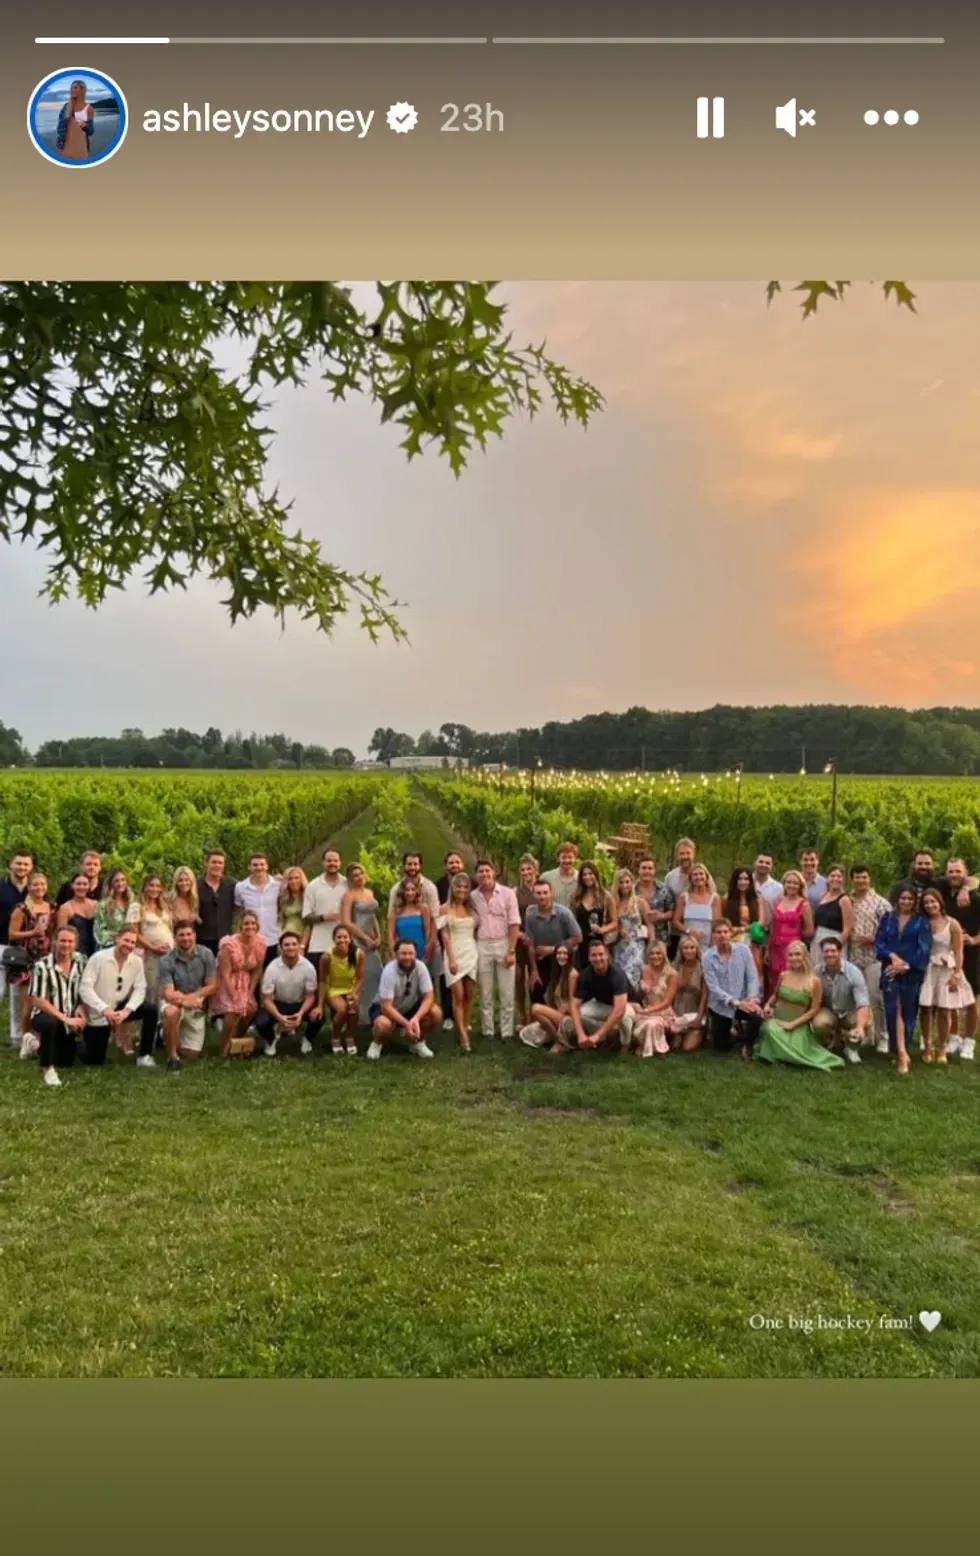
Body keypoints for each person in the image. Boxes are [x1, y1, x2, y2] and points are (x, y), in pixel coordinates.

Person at [758, 941, 843, 1070]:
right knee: (769, 1029)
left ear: (805, 956)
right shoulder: (783, 975)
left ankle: (784, 1053)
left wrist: (793, 1024)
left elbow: (814, 1009)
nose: (794, 958)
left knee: (795, 1044)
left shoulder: (814, 981)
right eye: (791, 955)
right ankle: (781, 1053)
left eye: (797, 954)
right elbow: (776, 996)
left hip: (798, 1024)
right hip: (778, 1020)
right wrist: (768, 1006)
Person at [875, 887, 931, 1075]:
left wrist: (905, 965)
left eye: (909, 899)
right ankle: (899, 1051)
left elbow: (923, 950)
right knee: (893, 1008)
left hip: (911, 972)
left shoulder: (921, 922)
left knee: (907, 1010)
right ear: (897, 899)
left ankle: (901, 1049)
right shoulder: (888, 918)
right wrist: (892, 957)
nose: (906, 901)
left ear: (914, 901)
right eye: (902, 898)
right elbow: (880, 943)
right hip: (890, 970)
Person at [918, 886, 975, 1065]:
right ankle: (928, 1046)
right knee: (926, 1009)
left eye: (933, 901)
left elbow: (958, 951)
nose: (930, 905)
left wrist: (957, 973)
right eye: (926, 902)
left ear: (939, 902)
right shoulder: (921, 923)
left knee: (944, 1010)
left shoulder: (952, 924)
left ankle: (942, 1047)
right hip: (928, 969)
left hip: (946, 969)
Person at [27, 924, 87, 1087]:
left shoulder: (80, 961)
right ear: (54, 941)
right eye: (62, 941)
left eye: (70, 941)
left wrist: (81, 1006)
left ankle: (32, 1044)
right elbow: (38, 1000)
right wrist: (65, 1019)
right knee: (49, 1023)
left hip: (69, 1016)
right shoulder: (42, 966)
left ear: (75, 943)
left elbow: (85, 987)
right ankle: (48, 1069)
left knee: (66, 1060)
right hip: (46, 1015)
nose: (66, 945)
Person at [79, 926, 148, 1066]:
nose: (129, 945)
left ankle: (145, 1055)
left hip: (121, 1008)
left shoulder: (137, 962)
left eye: (132, 942)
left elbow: (141, 988)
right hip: (99, 1011)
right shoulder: (98, 958)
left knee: (151, 1010)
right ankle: (77, 1044)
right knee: (95, 1062)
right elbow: (85, 988)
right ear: (117, 938)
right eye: (126, 940)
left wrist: (127, 1010)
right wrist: (105, 1009)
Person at [157, 922, 218, 1072]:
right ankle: (172, 1058)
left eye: (189, 934)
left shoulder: (206, 954)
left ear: (195, 935)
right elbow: (168, 992)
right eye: (181, 935)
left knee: (191, 1054)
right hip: (174, 1000)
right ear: (175, 937)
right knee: (172, 1013)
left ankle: (163, 1034)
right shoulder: (166, 960)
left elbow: (212, 986)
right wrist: (184, 1001)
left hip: (196, 999)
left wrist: (193, 997)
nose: (186, 938)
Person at [470, 861, 521, 1042]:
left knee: (507, 991)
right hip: (482, 944)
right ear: (476, 875)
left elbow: (514, 923)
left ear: (494, 872)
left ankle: (506, 1031)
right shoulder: (472, 897)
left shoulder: (507, 894)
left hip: (504, 943)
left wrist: (511, 950)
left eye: (487, 871)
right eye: (480, 871)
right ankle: (488, 1031)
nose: (484, 874)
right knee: (485, 991)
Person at [557, 939, 634, 1051]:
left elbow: (619, 1010)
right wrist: (580, 1034)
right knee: (579, 1012)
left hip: (627, 1004)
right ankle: (601, 1037)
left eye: (601, 954)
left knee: (624, 1015)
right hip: (602, 1004)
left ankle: (625, 1045)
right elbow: (574, 1005)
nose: (598, 958)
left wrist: (598, 1035)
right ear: (589, 957)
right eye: (594, 955)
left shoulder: (617, 975)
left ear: (607, 954)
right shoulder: (585, 975)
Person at [367, 940, 439, 1060]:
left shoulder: (421, 967)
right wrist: (407, 1024)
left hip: (409, 1006)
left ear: (416, 954)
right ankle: (376, 1043)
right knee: (383, 1024)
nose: (407, 957)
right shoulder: (389, 971)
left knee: (435, 1013)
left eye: (411, 953)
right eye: (403, 953)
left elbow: (429, 996)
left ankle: (418, 1043)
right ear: (396, 954)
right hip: (386, 1008)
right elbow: (386, 1006)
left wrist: (416, 1019)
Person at [702, 918, 764, 1056]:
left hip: (745, 999)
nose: (722, 935)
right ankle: (734, 1031)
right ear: (713, 935)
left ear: (731, 934)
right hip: (722, 1005)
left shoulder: (743, 950)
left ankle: (748, 1046)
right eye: (718, 932)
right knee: (720, 1047)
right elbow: (713, 987)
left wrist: (752, 998)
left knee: (756, 1016)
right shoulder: (707, 957)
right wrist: (735, 1002)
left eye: (725, 931)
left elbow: (752, 976)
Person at [7, 872, 54, 1051]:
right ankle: (23, 1038)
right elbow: (12, 934)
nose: (39, 888)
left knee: (41, 999)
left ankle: (37, 1036)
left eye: (43, 884)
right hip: (26, 957)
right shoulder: (22, 908)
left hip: (45, 957)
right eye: (36, 885)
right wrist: (33, 933)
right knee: (28, 1000)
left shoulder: (50, 907)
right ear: (29, 887)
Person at [848, 865, 892, 1055]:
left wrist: (874, 939)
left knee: (876, 998)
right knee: (857, 998)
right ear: (852, 880)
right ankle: (863, 1033)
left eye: (864, 877)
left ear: (870, 879)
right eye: (857, 878)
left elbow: (891, 930)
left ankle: (883, 1037)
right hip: (853, 956)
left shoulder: (881, 903)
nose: (861, 881)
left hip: (874, 957)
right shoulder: (848, 900)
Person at [257, 930, 323, 1057]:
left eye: (294, 944)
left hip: (300, 1004)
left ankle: (307, 1039)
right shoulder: (272, 968)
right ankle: (270, 1040)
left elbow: (310, 996)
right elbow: (267, 999)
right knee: (261, 1021)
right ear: (280, 947)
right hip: (278, 1004)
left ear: (299, 946)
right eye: (286, 945)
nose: (291, 947)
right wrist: (278, 1017)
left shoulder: (308, 967)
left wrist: (301, 1013)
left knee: (318, 1017)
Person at [132, 873, 175, 1062]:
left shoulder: (163, 906)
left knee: (164, 992)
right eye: (151, 885)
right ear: (144, 887)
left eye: (158, 886)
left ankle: (161, 1033)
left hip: (168, 956)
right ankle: (143, 1037)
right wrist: (152, 947)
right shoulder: (137, 907)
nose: (155, 889)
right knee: (150, 993)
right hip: (149, 955)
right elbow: (133, 932)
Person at [214, 911, 267, 1056]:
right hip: (228, 980)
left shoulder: (261, 943)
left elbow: (257, 971)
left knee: (250, 1008)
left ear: (257, 926)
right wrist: (235, 995)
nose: (250, 926)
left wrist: (250, 993)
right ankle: (224, 1048)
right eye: (246, 923)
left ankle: (237, 1041)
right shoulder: (229, 944)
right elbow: (225, 973)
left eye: (253, 923)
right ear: (240, 926)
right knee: (233, 1011)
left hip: (246, 980)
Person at [811, 937, 870, 1063]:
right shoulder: (816, 972)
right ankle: (830, 1040)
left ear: (840, 952)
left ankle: (851, 1048)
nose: (829, 954)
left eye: (833, 951)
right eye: (826, 951)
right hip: (829, 1010)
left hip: (849, 1010)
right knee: (819, 1023)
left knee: (865, 1024)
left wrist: (860, 1027)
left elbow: (862, 1003)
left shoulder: (853, 972)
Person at [438, 872, 480, 1052]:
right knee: (458, 996)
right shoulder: (444, 909)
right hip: (454, 953)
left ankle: (463, 1026)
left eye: (465, 887)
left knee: (469, 996)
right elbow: (445, 935)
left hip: (471, 952)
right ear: (452, 889)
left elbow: (476, 932)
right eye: (458, 887)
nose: (462, 890)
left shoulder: (472, 909)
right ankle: (463, 1038)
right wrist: (451, 958)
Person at [942, 857, 979, 1060]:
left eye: (958, 871)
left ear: (965, 873)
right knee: (953, 997)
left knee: (972, 1001)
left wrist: (973, 939)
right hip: (951, 955)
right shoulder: (945, 896)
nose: (954, 875)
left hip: (973, 955)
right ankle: (954, 1037)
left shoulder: (975, 899)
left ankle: (968, 1042)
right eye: (951, 871)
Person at [523, 879, 582, 1004]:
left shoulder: (564, 913)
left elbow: (578, 937)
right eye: (538, 893)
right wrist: (533, 970)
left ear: (551, 893)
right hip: (541, 959)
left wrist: (553, 949)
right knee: (535, 989)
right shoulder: (530, 915)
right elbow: (531, 945)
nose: (542, 896)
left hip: (562, 957)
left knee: (560, 994)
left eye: (545, 892)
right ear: (534, 895)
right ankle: (539, 1020)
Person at [435, 850, 476, 1028]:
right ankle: (448, 1015)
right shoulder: (440, 885)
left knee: (466, 981)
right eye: (451, 863)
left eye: (457, 862)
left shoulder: (471, 883)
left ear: (463, 864)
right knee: (447, 977)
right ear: (446, 865)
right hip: (447, 930)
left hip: (465, 934)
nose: (454, 866)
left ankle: (463, 1018)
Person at [341, 862, 384, 1026]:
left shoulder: (370, 892)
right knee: (361, 976)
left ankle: (375, 1011)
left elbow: (373, 916)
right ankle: (359, 1015)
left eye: (361, 874)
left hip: (372, 938)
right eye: (355, 876)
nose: (359, 877)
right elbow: (346, 921)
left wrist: (378, 936)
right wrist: (364, 939)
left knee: (376, 973)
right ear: (351, 879)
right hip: (358, 939)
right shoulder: (349, 896)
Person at [316, 923, 364, 1056]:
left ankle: (350, 1038)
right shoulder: (327, 957)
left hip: (351, 988)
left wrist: (354, 994)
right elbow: (322, 980)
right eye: (339, 937)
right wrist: (320, 1004)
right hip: (334, 989)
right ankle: (336, 1037)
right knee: (342, 1010)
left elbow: (360, 978)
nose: (342, 940)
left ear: (350, 938)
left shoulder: (358, 954)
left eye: (345, 937)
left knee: (353, 1009)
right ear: (334, 939)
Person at [521, 942, 576, 1051]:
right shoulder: (556, 974)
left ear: (570, 956)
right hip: (558, 1014)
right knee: (527, 1032)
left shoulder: (572, 975)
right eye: (559, 953)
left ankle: (560, 1040)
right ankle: (556, 1036)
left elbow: (574, 1004)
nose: (561, 956)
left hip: (569, 1019)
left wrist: (565, 1008)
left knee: (535, 1008)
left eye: (565, 953)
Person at [766, 871, 814, 995]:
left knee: (790, 979)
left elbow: (810, 930)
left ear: (800, 886)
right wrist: (767, 948)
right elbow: (773, 927)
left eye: (795, 883)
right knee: (775, 980)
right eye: (788, 882)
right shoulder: (778, 901)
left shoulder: (804, 904)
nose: (791, 885)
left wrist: (795, 938)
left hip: (793, 949)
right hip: (775, 948)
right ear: (784, 884)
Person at [1, 849, 34, 1027]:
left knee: (17, 994)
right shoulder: (1, 886)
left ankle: (16, 1036)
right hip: (1, 943)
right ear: (11, 865)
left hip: (23, 948)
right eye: (18, 863)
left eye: (26, 864)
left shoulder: (34, 889)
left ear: (31, 867)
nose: (22, 867)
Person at [303, 848, 346, 976]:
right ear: (323, 863)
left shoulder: (347, 884)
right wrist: (323, 917)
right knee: (319, 983)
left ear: (340, 863)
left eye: (335, 861)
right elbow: (306, 917)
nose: (332, 863)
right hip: (318, 945)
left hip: (342, 943)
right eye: (329, 861)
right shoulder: (313, 886)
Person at [631, 940, 678, 1057]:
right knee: (632, 1018)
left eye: (658, 953)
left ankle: (655, 1049)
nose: (655, 956)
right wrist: (637, 1005)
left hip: (663, 1012)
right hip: (646, 1008)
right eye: (652, 953)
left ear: (664, 954)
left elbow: (667, 1002)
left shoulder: (672, 974)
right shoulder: (644, 970)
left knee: (650, 1025)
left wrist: (647, 1011)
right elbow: (639, 994)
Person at [610, 867, 653, 996]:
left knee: (634, 975)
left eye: (627, 882)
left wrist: (651, 945)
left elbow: (650, 925)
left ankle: (635, 1003)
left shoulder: (639, 902)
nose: (624, 885)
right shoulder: (613, 903)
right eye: (621, 882)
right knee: (620, 975)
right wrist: (618, 930)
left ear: (632, 883)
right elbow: (609, 922)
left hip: (636, 946)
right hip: (619, 946)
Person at [570, 862, 618, 970]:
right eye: (584, 874)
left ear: (596, 875)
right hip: (581, 944)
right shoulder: (576, 897)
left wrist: (602, 929)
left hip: (599, 943)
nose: (587, 877)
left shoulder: (606, 896)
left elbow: (615, 922)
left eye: (590, 873)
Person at [235, 855, 280, 965]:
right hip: (251, 939)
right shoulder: (240, 887)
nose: (259, 867)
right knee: (252, 975)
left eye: (262, 864)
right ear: (249, 867)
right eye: (255, 865)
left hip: (274, 938)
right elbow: (239, 910)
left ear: (267, 866)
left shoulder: (278, 885)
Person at [723, 868, 766, 978]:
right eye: (740, 879)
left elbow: (762, 922)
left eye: (746, 879)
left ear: (750, 881)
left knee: (753, 972)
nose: (743, 882)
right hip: (733, 939)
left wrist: (743, 929)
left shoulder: (758, 898)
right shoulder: (727, 898)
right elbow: (722, 921)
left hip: (752, 940)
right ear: (735, 881)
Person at [514, 853, 540, 1026]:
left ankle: (535, 1011)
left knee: (535, 974)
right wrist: (518, 934)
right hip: (521, 938)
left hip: (538, 939)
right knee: (519, 976)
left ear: (535, 870)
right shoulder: (516, 892)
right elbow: (512, 916)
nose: (526, 872)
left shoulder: (542, 888)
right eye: (522, 869)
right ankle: (522, 1013)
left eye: (529, 868)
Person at [669, 935, 707, 1050]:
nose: (689, 951)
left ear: (697, 949)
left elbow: (705, 995)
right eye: (685, 948)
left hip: (695, 1013)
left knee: (687, 1047)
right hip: (677, 1012)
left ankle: (701, 1032)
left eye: (692, 947)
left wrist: (699, 1017)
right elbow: (669, 994)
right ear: (681, 950)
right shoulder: (674, 967)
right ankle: (679, 1034)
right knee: (675, 1046)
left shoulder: (703, 968)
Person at [811, 864, 853, 967]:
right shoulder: (823, 896)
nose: (835, 879)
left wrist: (835, 946)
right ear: (827, 878)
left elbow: (847, 929)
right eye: (832, 876)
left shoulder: (844, 900)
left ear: (843, 879)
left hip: (835, 941)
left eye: (839, 876)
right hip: (818, 940)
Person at [672, 862, 719, 954]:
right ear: (691, 878)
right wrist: (688, 931)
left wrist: (713, 943)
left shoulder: (714, 898)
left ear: (706, 877)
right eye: (695, 875)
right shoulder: (684, 897)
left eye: (701, 874)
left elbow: (717, 924)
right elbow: (675, 921)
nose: (698, 877)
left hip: (707, 942)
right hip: (688, 941)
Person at [197, 849, 236, 960]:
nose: (217, 865)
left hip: (226, 939)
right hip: (202, 939)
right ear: (207, 863)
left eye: (220, 863)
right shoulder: (196, 885)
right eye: (214, 862)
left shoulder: (232, 884)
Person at [389, 877, 434, 966]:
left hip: (420, 950)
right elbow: (390, 933)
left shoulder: (423, 908)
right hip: (403, 952)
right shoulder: (395, 911)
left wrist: (427, 950)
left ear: (417, 891)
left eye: (413, 889)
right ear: (402, 892)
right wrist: (393, 952)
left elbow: (428, 930)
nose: (410, 893)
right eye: (407, 890)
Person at [93, 867, 138, 951]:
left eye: (123, 880)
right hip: (109, 948)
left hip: (130, 948)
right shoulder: (103, 905)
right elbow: (98, 931)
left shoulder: (133, 903)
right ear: (111, 883)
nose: (120, 883)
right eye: (116, 881)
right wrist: (117, 937)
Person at [56, 872, 98, 960]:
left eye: (85, 884)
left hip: (96, 952)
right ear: (72, 886)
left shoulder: (96, 905)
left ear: (89, 886)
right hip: (75, 954)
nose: (81, 887)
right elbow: (61, 935)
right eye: (78, 884)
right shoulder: (65, 908)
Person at [635, 857, 675, 944]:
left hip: (660, 938)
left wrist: (661, 916)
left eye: (650, 868)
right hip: (636, 939)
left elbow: (672, 912)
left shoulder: (664, 889)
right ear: (638, 870)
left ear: (654, 870)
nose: (647, 871)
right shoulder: (631, 890)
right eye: (644, 868)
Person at [57, 79, 95, 161]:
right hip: (66, 145)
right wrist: (60, 147)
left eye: (75, 88)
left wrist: (85, 125)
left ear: (82, 90)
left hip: (81, 146)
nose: (72, 90)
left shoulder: (89, 108)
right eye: (71, 88)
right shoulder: (66, 107)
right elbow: (60, 127)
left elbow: (91, 131)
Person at [277, 866, 310, 950]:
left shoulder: (308, 897)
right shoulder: (282, 898)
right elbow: (280, 921)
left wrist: (302, 945)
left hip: (305, 938)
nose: (294, 881)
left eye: (297, 878)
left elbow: (309, 924)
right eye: (290, 879)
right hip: (287, 936)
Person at [540, 842, 580, 908]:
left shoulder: (581, 878)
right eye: (563, 857)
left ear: (575, 858)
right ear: (558, 859)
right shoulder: (546, 878)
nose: (567, 860)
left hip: (575, 917)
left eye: (570, 857)